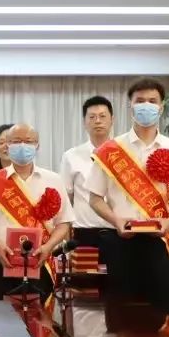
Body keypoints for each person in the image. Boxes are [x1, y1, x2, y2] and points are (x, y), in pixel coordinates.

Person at [86, 78, 169, 312]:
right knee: (121, 312)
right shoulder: (110, 150)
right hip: (121, 242)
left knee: (160, 311)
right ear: (131, 106)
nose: (146, 105)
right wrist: (116, 220)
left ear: (161, 107)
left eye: (152, 101)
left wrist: (168, 222)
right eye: (140, 101)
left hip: (161, 243)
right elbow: (94, 199)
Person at [0, 123, 73, 297]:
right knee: (0, 313)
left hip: (41, 261)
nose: (22, 146)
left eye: (28, 141)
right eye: (16, 141)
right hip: (2, 261)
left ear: (37, 145)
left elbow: (64, 222)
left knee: (41, 312)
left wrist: (49, 246)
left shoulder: (54, 179)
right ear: (8, 145)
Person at [60, 96, 116, 262]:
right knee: (84, 278)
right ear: (84, 122)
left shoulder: (124, 155)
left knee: (118, 277)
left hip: (118, 231)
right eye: (92, 117)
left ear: (112, 120)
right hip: (84, 233)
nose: (97, 121)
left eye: (102, 116)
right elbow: (66, 199)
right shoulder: (71, 156)